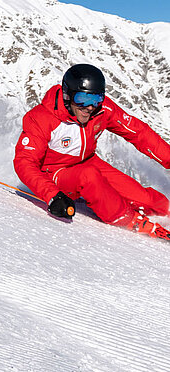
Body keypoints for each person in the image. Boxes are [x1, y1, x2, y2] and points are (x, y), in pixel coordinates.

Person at [14, 63, 170, 240]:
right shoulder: (41, 118)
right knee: (88, 176)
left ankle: (166, 212)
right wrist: (52, 195)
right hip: (54, 174)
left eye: (96, 99)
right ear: (68, 95)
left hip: (88, 162)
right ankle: (130, 220)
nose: (90, 107)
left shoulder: (102, 110)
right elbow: (24, 162)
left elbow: (139, 133)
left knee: (149, 201)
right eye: (82, 99)